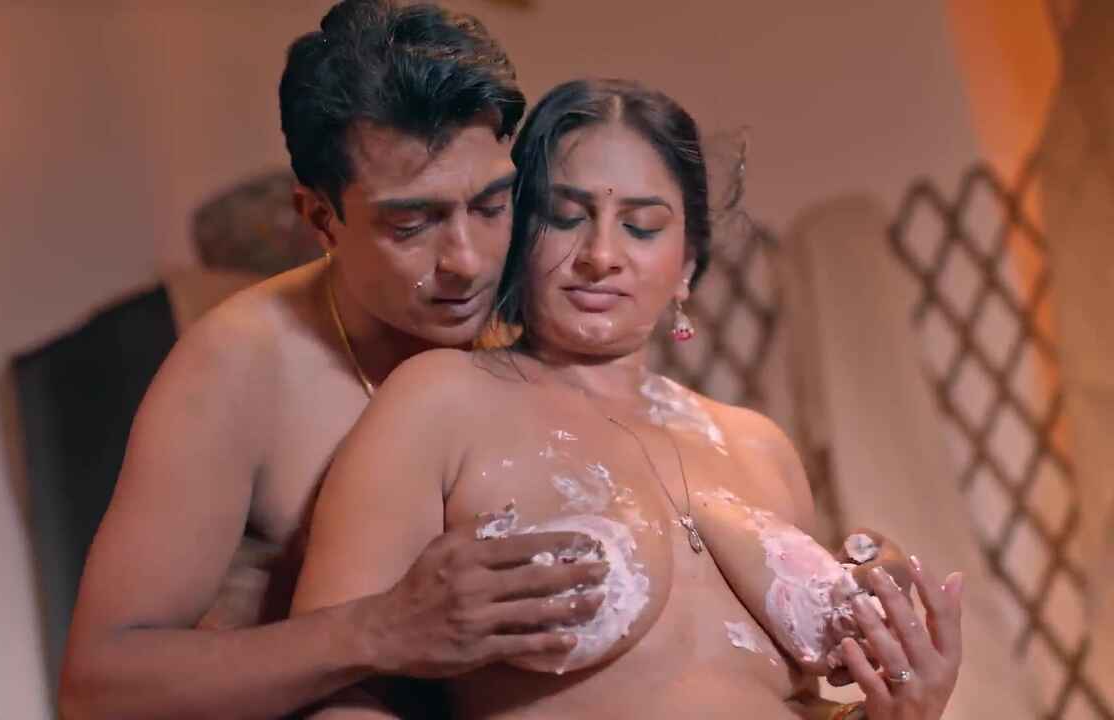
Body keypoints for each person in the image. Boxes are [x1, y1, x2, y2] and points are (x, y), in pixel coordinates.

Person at [291, 78, 964, 719]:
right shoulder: (441, 400)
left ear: (688, 263)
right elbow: (336, 685)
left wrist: (897, 708)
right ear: (518, 234)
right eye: (565, 217)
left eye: (641, 226)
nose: (601, 255)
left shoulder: (760, 447)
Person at [58, 4, 610, 718]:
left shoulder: (535, 315)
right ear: (320, 219)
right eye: (411, 223)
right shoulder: (241, 365)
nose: (467, 262)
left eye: (490, 205)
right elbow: (97, 689)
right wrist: (378, 630)